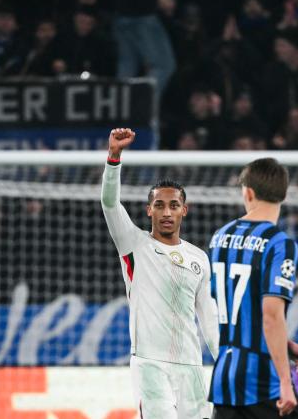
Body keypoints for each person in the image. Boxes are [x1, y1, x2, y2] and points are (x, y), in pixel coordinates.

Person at [101, 128, 219, 419]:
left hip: (191, 366)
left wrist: (227, 363)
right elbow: (110, 203)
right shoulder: (134, 243)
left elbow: (208, 318)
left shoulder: (199, 258)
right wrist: (114, 158)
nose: (167, 212)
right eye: (160, 205)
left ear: (184, 211)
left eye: (174, 206)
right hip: (150, 365)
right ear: (148, 211)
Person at [208, 158, 298, 418]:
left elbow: (237, 312)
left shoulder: (220, 237)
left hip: (225, 381)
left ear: (248, 192)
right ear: (284, 194)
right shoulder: (280, 243)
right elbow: (271, 316)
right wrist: (285, 383)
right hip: (262, 383)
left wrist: (287, 345)